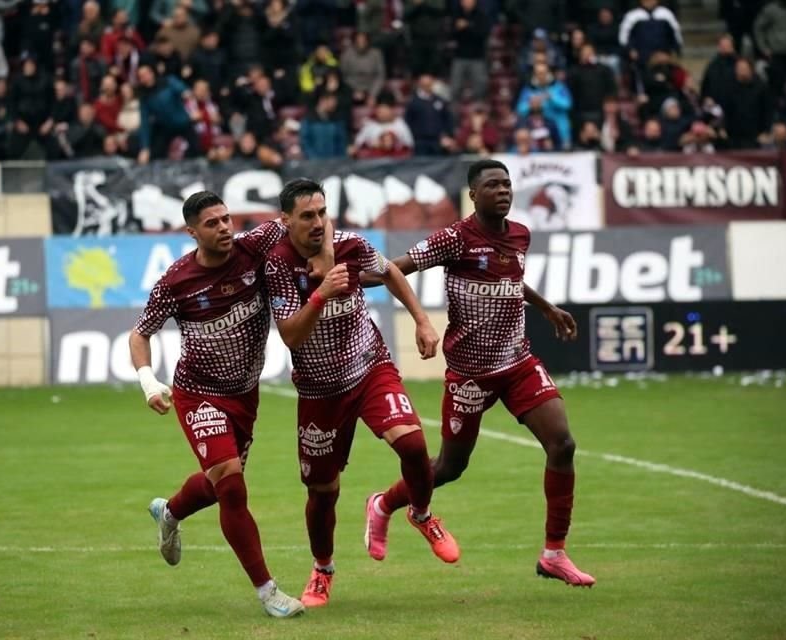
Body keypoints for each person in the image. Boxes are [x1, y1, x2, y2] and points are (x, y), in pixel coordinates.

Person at [363, 159, 596, 588]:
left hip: (518, 363)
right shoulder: (455, 238)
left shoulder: (520, 235)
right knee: (450, 468)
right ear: (473, 195)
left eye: (507, 184)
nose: (503, 191)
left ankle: (554, 554)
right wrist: (347, 278)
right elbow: (397, 267)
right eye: (492, 185)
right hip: (470, 374)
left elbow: (510, 277)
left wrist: (545, 307)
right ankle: (383, 504)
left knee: (562, 444)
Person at [129, 190, 333, 618]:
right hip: (198, 393)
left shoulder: (254, 246)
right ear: (192, 232)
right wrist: (149, 381)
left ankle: (170, 512)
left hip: (245, 394)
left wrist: (326, 255)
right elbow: (140, 333)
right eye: (212, 223)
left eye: (226, 219)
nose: (224, 228)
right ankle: (269, 592)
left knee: (216, 482)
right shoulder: (176, 281)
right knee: (233, 487)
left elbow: (311, 221)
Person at [264, 179, 460, 609]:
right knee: (322, 491)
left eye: (322, 213)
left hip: (369, 368)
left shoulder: (351, 244)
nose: (318, 223)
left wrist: (422, 321)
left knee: (412, 443)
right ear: (286, 221)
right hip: (319, 391)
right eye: (307, 216)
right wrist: (321, 294)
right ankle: (323, 569)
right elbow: (291, 338)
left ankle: (421, 515)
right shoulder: (278, 264)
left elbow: (389, 270)